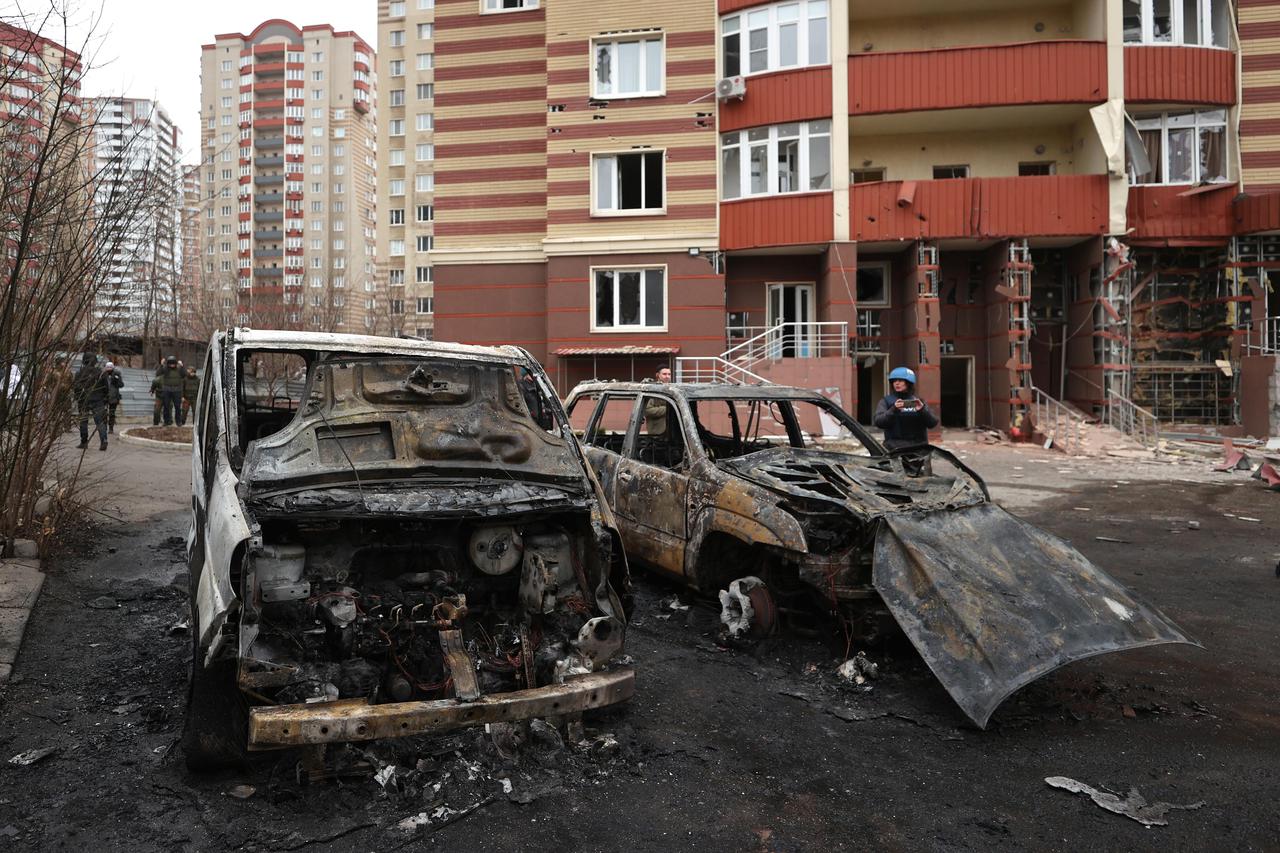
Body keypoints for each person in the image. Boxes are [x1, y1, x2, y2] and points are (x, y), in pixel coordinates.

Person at [873, 366, 938, 450]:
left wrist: (922, 410)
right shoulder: (886, 401)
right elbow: (879, 422)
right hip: (894, 450)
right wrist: (893, 410)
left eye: (900, 380)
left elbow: (932, 423)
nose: (897, 383)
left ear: (908, 383)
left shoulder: (918, 402)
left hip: (918, 449)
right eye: (894, 381)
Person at [74, 353, 110, 451]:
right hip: (98, 400)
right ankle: (104, 440)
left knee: (83, 421)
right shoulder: (101, 373)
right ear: (95, 361)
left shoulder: (79, 373)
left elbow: (76, 388)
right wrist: (105, 398)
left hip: (84, 400)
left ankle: (84, 442)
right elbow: (106, 388)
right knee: (100, 422)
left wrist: (78, 398)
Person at [643, 366, 673, 436]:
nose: (667, 376)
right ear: (657, 375)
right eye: (664, 374)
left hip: (672, 432)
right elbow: (647, 410)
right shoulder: (652, 389)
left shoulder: (673, 389)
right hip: (657, 432)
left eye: (669, 374)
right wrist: (669, 408)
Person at [156, 355, 184, 427]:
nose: (172, 365)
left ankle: (178, 421)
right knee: (166, 406)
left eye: (173, 363)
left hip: (177, 390)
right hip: (167, 390)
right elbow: (158, 374)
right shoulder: (165, 369)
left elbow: (185, 375)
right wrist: (161, 365)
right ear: (168, 363)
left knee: (177, 407)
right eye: (170, 363)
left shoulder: (179, 369)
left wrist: (182, 366)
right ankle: (166, 421)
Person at [103, 361, 124, 433]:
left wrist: (116, 380)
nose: (109, 370)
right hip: (104, 397)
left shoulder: (116, 374)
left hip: (114, 397)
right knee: (104, 413)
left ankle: (111, 428)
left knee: (112, 413)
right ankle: (104, 427)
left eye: (110, 369)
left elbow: (121, 385)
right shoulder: (103, 375)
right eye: (107, 369)